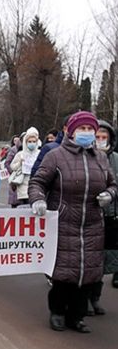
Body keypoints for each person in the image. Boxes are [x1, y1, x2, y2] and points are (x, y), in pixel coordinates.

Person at [29, 111, 117, 333]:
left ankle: (76, 316)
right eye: (82, 129)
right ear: (70, 131)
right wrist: (38, 200)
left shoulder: (101, 158)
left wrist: (110, 194)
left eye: (90, 129)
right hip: (63, 221)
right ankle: (57, 312)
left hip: (93, 223)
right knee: (63, 272)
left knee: (87, 273)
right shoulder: (55, 156)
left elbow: (113, 184)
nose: (87, 133)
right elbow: (38, 182)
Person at [87, 120, 118, 314]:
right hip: (90, 215)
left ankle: (95, 298)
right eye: (97, 137)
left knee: (107, 257)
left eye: (103, 137)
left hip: (112, 214)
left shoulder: (115, 159)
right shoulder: (86, 157)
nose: (100, 140)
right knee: (91, 258)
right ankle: (84, 299)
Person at [9, 127, 40, 206]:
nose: (32, 143)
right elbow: (12, 167)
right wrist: (20, 163)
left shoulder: (40, 154)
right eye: (29, 141)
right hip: (23, 187)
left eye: (34, 141)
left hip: (36, 186)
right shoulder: (20, 154)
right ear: (25, 142)